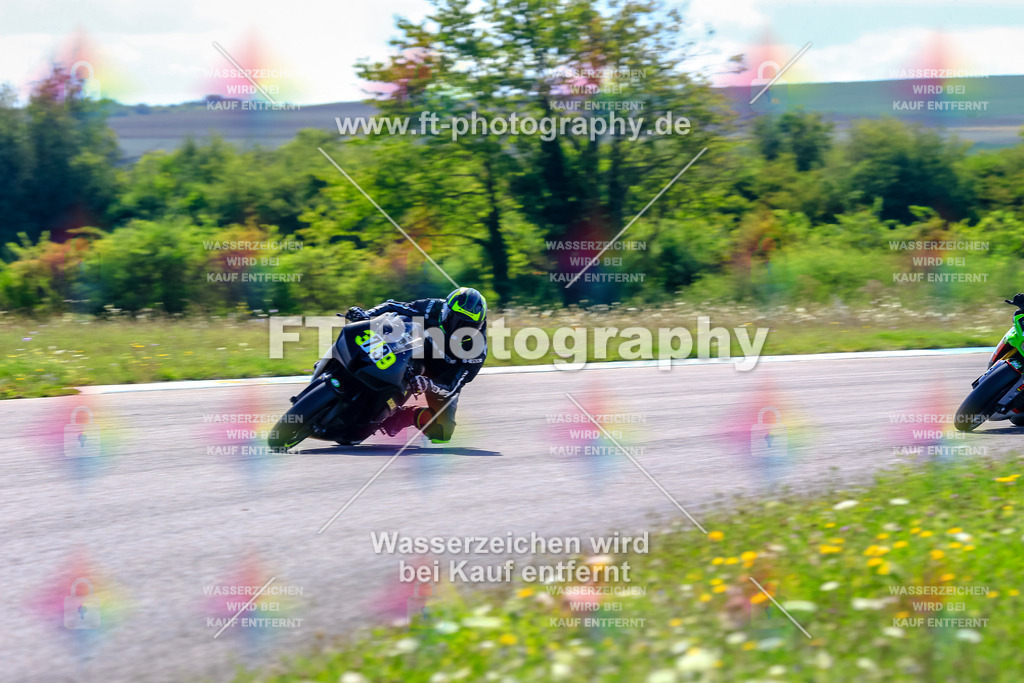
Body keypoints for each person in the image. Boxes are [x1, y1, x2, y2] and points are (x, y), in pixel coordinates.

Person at [345, 287, 488, 443]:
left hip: (440, 378)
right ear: (446, 311)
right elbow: (393, 305)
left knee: (442, 432)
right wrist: (367, 314)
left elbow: (452, 386)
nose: (457, 328)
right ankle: (341, 363)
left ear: (479, 325)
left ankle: (403, 416)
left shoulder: (477, 350)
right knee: (375, 332)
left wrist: (428, 384)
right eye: (455, 319)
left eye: (467, 325)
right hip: (415, 352)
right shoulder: (433, 307)